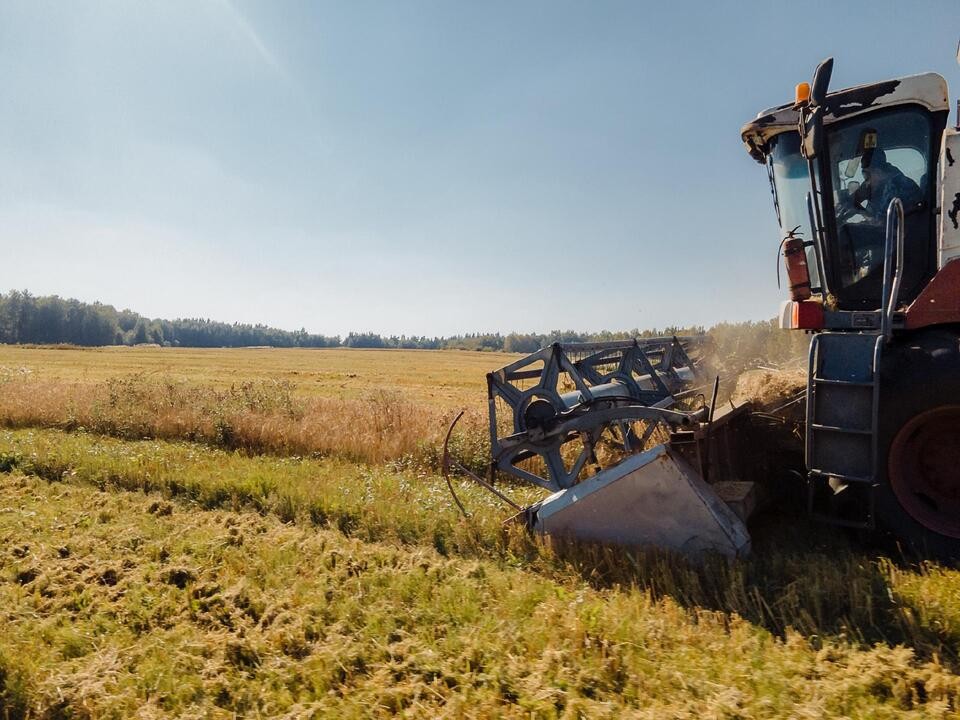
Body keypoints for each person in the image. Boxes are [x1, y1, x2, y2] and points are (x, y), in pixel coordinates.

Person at [849, 147, 922, 222]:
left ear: (878, 172)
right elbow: (855, 199)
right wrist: (853, 201)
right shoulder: (883, 183)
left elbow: (880, 225)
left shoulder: (896, 187)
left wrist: (860, 210)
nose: (867, 183)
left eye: (867, 177)